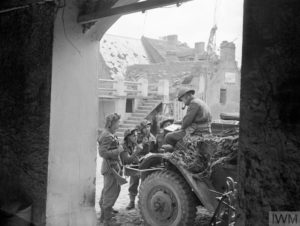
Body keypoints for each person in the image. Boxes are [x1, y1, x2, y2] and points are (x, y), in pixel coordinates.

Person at [98, 113, 123, 226]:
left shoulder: (109, 134)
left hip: (112, 167)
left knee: (108, 191)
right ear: (111, 124)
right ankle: (108, 221)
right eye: (117, 122)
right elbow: (102, 153)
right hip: (110, 168)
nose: (118, 124)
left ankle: (104, 217)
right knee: (110, 192)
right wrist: (118, 151)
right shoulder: (107, 135)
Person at [120, 128, 143, 210]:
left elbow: (135, 158)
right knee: (133, 180)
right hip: (116, 168)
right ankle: (132, 202)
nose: (136, 137)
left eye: (136, 135)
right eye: (134, 136)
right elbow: (126, 160)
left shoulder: (133, 143)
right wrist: (136, 152)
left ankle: (143, 200)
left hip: (131, 164)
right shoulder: (123, 145)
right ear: (128, 137)